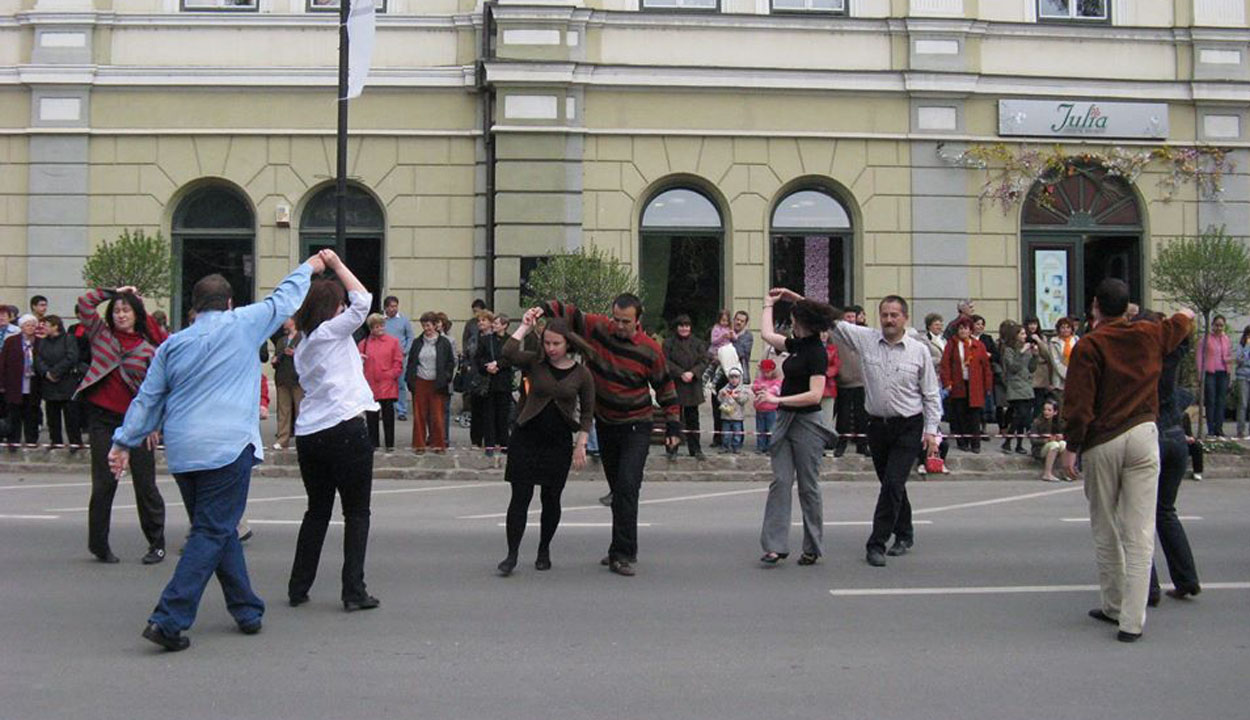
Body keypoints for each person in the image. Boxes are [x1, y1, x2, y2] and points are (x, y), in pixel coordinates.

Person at [109, 254, 325, 651]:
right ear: (228, 303)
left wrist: (123, 441)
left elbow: (148, 398)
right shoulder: (244, 324)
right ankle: (168, 619)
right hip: (227, 447)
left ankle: (246, 609)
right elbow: (284, 299)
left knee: (217, 528)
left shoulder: (172, 345)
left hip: (185, 451)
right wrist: (309, 266)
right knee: (210, 530)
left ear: (193, 307)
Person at [1060, 278, 1193, 643]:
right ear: (1128, 308)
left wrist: (1072, 445)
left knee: (1106, 528)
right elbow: (1180, 322)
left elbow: (1079, 402)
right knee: (1140, 532)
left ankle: (1113, 604)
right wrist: (1187, 312)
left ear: (1095, 307)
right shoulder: (1149, 335)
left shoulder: (1091, 345)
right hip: (1144, 435)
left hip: (1103, 441)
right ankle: (1132, 621)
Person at [540, 293, 682, 577]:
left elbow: (665, 388)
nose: (619, 325)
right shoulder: (597, 328)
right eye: (616, 319)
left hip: (636, 425)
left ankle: (623, 554)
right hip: (606, 423)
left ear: (638, 321)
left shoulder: (650, 349)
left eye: (625, 321)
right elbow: (569, 312)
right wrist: (540, 309)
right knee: (618, 488)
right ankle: (619, 545)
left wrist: (673, 427)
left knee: (628, 487)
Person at [288, 250, 381, 613]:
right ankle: (353, 590)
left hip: (310, 433)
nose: (345, 311)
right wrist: (339, 265)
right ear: (331, 309)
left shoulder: (304, 345)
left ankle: (299, 585)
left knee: (317, 511)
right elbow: (364, 302)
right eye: (338, 306)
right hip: (344, 426)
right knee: (357, 513)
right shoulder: (331, 331)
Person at [827, 293, 941, 567]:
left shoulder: (918, 350)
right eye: (885, 315)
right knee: (891, 483)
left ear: (905, 318)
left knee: (892, 483)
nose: (889, 320)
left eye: (894, 315)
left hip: (908, 426)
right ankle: (905, 532)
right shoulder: (866, 339)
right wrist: (795, 298)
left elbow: (931, 394)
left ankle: (876, 543)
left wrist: (931, 431)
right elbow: (832, 321)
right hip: (877, 426)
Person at [496, 308, 594, 576]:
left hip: (558, 442)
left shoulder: (581, 374)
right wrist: (525, 326)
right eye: (547, 343)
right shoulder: (534, 362)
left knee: (551, 499)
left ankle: (543, 549)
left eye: (556, 344)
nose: (551, 348)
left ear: (567, 344)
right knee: (520, 498)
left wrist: (581, 444)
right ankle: (512, 554)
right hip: (526, 438)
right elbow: (508, 353)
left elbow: (587, 413)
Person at [76, 287, 164, 564]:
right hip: (102, 420)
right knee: (104, 484)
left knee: (145, 485)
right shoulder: (101, 336)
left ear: (136, 315)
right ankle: (99, 545)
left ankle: (156, 544)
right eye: (116, 311)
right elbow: (85, 304)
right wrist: (114, 292)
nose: (121, 315)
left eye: (126, 310)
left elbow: (157, 390)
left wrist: (153, 424)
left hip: (136, 424)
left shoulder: (148, 349)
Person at [756, 291, 838, 566]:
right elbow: (767, 334)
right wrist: (770, 303)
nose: (790, 322)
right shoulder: (797, 345)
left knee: (808, 486)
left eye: (792, 318)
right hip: (784, 421)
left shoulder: (817, 352)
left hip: (807, 424)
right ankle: (774, 546)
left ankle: (812, 545)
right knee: (780, 482)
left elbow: (815, 395)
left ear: (803, 322)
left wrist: (776, 399)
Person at [1142, 312, 1201, 606]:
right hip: (1177, 438)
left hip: (1153, 437)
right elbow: (1185, 341)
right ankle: (1187, 579)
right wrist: (1183, 320)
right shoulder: (1172, 357)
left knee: (1139, 516)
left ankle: (1148, 587)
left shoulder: (1144, 360)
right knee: (1166, 511)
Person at [939, 317, 992, 453]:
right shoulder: (952, 344)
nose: (963, 331)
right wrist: (947, 383)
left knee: (974, 415)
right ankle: (962, 442)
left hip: (975, 385)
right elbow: (945, 365)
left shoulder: (978, 345)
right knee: (959, 414)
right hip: (958, 384)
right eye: (961, 328)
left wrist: (987, 386)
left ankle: (975, 444)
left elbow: (986, 367)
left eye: (966, 328)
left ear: (970, 330)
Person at [662, 314, 709, 460]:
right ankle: (672, 449)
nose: (684, 328)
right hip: (675, 385)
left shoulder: (698, 343)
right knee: (673, 419)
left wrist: (693, 373)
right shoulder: (669, 343)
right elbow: (665, 361)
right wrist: (680, 373)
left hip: (692, 386)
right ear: (677, 327)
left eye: (687, 326)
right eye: (681, 326)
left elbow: (704, 361)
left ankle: (695, 449)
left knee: (693, 419)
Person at [359, 313, 404, 451]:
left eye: (381, 326)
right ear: (371, 328)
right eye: (376, 326)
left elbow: (398, 361)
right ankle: (374, 443)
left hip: (387, 383)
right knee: (371, 416)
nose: (379, 329)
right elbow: (357, 361)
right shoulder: (364, 343)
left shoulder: (393, 342)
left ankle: (390, 444)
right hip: (370, 383)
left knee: (388, 415)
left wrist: (392, 374)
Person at [33, 315, 79, 448]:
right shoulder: (42, 342)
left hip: (66, 382)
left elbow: (71, 357)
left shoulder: (68, 339)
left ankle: (75, 442)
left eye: (46, 325)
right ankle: (55, 441)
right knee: (52, 415)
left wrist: (56, 372)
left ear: (55, 326)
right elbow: (38, 358)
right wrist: (46, 372)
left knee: (71, 415)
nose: (44, 328)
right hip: (49, 384)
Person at [474, 313, 514, 456]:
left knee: (503, 414)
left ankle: (504, 442)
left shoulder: (510, 340)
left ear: (504, 325)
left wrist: (497, 364)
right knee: (489, 413)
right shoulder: (486, 340)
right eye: (494, 323)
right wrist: (487, 367)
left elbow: (511, 358)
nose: (494, 325)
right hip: (489, 381)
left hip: (503, 381)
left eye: (497, 323)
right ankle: (489, 443)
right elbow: (478, 358)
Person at [832, 306, 869, 457]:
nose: (851, 320)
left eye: (853, 317)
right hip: (843, 382)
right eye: (848, 317)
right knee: (843, 416)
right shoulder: (835, 335)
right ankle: (841, 444)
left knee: (862, 416)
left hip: (861, 383)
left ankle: (862, 445)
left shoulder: (863, 334)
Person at [1, 314, 41, 448]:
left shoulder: (39, 341)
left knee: (32, 412)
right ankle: (13, 440)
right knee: (14, 413)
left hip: (33, 383)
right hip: (15, 383)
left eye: (33, 325)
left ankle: (31, 439)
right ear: (21, 327)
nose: (30, 328)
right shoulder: (11, 341)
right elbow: (3, 363)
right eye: (27, 325)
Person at [999, 322, 1038, 455]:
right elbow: (1013, 367)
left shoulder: (1026, 349)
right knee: (1019, 414)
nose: (1024, 336)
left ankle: (1019, 444)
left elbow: (1031, 368)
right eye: (1022, 333)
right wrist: (1021, 352)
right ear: (1015, 335)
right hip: (1015, 386)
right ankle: (1007, 441)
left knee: (1023, 417)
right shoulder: (1009, 350)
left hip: (1026, 385)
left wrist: (1035, 355)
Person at [1196, 314, 1233, 436]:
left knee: (1221, 401)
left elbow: (1228, 355)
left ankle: (1219, 428)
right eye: (1217, 325)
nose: (1219, 328)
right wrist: (1200, 375)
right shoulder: (1205, 339)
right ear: (1212, 325)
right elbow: (1199, 357)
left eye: (1221, 325)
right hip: (1210, 372)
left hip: (1223, 372)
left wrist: (1230, 365)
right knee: (1211, 400)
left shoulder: (1226, 339)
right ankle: (1211, 428)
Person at [270, 318, 303, 449]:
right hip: (282, 378)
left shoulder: (302, 337)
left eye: (286, 319)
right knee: (283, 410)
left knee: (300, 410)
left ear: (293, 321)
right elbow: (277, 357)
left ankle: (301, 438)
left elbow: (308, 356)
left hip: (297, 379)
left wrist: (296, 354)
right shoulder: (281, 340)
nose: (283, 322)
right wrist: (275, 360)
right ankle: (282, 439)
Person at [381, 296, 414, 421]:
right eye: (391, 306)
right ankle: (384, 408)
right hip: (384, 357)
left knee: (401, 384)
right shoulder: (381, 320)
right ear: (386, 307)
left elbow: (410, 336)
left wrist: (405, 351)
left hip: (399, 357)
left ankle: (401, 410)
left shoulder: (404, 320)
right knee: (384, 383)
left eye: (395, 306)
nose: (394, 309)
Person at [1023, 316, 1053, 419]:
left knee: (1039, 402)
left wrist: (1039, 341)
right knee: (1027, 403)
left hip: (1040, 373)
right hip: (1027, 372)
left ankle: (1037, 424)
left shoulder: (1042, 337)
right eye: (1030, 324)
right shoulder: (1023, 336)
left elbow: (1047, 355)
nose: (1032, 326)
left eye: (1035, 324)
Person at [1030, 399, 1066, 482]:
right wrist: (1046, 441)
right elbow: (1033, 440)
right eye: (1045, 410)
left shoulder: (1059, 423)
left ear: (1055, 412)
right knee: (1054, 445)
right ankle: (1047, 473)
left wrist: (1062, 436)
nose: (1046, 412)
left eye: (1049, 410)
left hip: (1054, 446)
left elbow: (1067, 435)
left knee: (1063, 444)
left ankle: (1064, 472)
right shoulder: (1037, 422)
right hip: (1039, 449)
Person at [752, 358, 782, 454]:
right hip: (760, 409)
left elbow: (777, 390)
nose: (766, 374)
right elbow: (754, 387)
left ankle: (771, 447)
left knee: (771, 429)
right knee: (760, 429)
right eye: (764, 372)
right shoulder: (759, 380)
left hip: (771, 409)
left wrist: (767, 390)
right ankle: (760, 447)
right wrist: (759, 387)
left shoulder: (776, 381)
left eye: (768, 372)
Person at [717, 367, 750, 454]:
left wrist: (737, 397)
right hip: (726, 415)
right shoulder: (724, 389)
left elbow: (744, 400)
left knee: (737, 434)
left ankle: (736, 447)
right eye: (731, 377)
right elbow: (719, 399)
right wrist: (722, 395)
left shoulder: (743, 389)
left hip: (737, 416)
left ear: (740, 378)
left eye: (736, 377)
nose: (734, 380)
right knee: (725, 434)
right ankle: (725, 446)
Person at [1048, 316, 1078, 405]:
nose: (1065, 330)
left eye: (1068, 327)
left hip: (1075, 378)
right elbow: (1056, 362)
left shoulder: (1076, 340)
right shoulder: (1054, 342)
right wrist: (1067, 375)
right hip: (1060, 379)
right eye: (1063, 327)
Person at [1236, 325, 1250, 438]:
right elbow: (1239, 360)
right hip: (1243, 376)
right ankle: (1241, 430)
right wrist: (1247, 348)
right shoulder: (1241, 346)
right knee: (1243, 404)